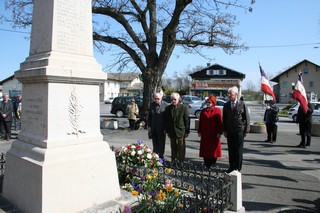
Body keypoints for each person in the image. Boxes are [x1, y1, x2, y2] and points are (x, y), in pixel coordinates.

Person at [223, 86, 250, 173]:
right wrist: (224, 130)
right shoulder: (226, 105)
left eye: (231, 93)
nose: (229, 95)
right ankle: (231, 166)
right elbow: (224, 118)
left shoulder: (242, 104)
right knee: (231, 150)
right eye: (229, 94)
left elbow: (247, 118)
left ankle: (238, 167)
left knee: (238, 150)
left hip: (239, 130)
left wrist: (247, 130)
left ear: (236, 94)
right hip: (229, 131)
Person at [197, 95, 223, 169]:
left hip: (214, 134)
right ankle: (206, 163)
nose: (208, 103)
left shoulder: (217, 111)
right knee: (205, 148)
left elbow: (220, 123)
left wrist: (219, 132)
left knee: (214, 149)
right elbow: (200, 122)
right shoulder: (203, 111)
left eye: (210, 102)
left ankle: (213, 163)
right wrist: (199, 131)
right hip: (205, 133)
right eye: (207, 102)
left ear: (213, 103)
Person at [165, 92, 190, 163]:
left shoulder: (183, 108)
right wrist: (167, 131)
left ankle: (181, 162)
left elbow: (187, 120)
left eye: (175, 99)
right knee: (173, 147)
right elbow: (167, 120)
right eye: (172, 99)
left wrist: (187, 131)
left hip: (181, 131)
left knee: (181, 148)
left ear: (178, 100)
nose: (173, 101)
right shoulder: (168, 108)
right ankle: (173, 161)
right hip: (171, 131)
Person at [148, 92, 169, 162]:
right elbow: (149, 116)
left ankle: (161, 157)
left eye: (158, 99)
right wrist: (149, 126)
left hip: (162, 128)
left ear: (161, 98)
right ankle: (155, 157)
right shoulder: (152, 104)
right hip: (153, 128)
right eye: (155, 98)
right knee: (155, 144)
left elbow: (167, 118)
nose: (156, 100)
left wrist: (166, 128)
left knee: (161, 144)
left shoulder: (165, 105)